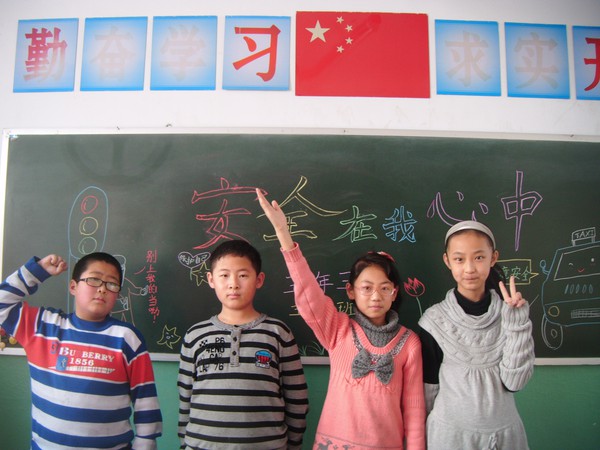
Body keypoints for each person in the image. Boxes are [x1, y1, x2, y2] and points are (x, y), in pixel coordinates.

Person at [257, 189, 426, 450]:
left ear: (394, 293)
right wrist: (283, 234)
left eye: (384, 288)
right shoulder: (338, 329)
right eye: (366, 288)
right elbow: (308, 294)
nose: (375, 296)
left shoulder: (409, 342)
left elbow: (414, 411)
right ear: (351, 291)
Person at [0, 252, 163, 449]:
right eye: (94, 279)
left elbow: (145, 398)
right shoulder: (42, 326)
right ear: (73, 287)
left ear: (117, 294)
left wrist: (146, 442)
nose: (102, 289)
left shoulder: (127, 338)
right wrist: (38, 270)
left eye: (111, 284)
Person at [177, 239, 309, 450]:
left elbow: (297, 399)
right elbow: (185, 397)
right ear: (211, 279)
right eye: (224, 275)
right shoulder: (195, 336)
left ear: (259, 279)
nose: (233, 284)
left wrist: (293, 445)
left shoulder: (278, 333)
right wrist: (185, 444)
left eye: (243, 275)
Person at [418, 220, 535, 450]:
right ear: (447, 261)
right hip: (449, 437)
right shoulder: (434, 321)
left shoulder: (510, 314)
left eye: (479, 257)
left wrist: (517, 323)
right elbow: (428, 392)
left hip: (503, 436)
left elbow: (515, 383)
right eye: (459, 259)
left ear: (493, 258)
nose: (469, 268)